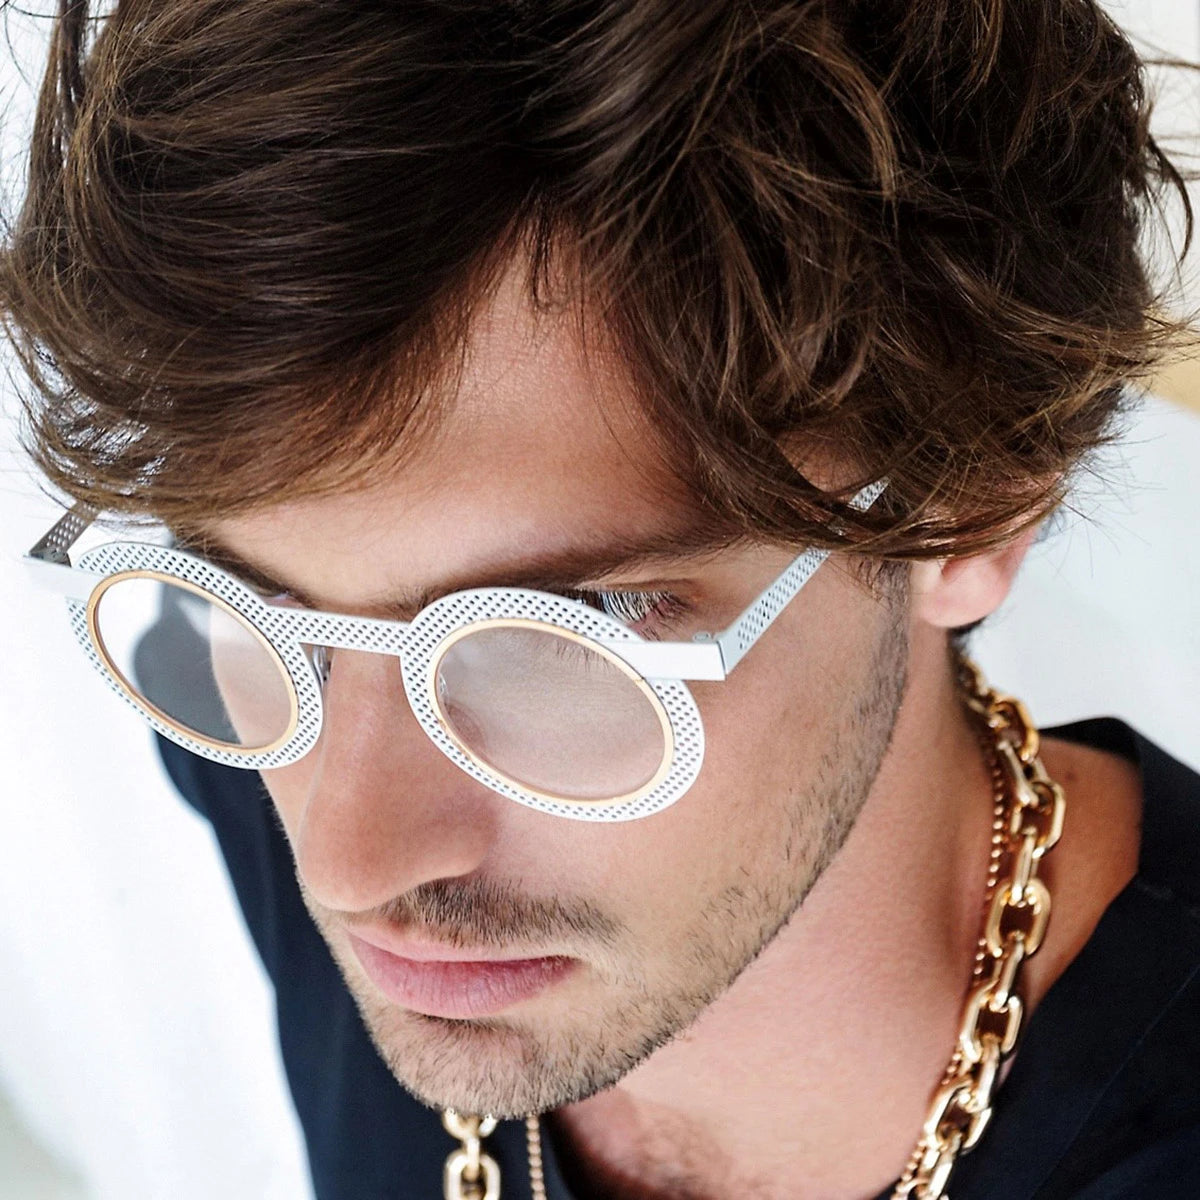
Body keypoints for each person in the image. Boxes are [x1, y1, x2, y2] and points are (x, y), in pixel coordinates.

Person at [4, 1, 1200, 1197]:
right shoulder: (271, 725)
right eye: (253, 603)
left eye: (552, 641)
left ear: (964, 516)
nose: (346, 862)